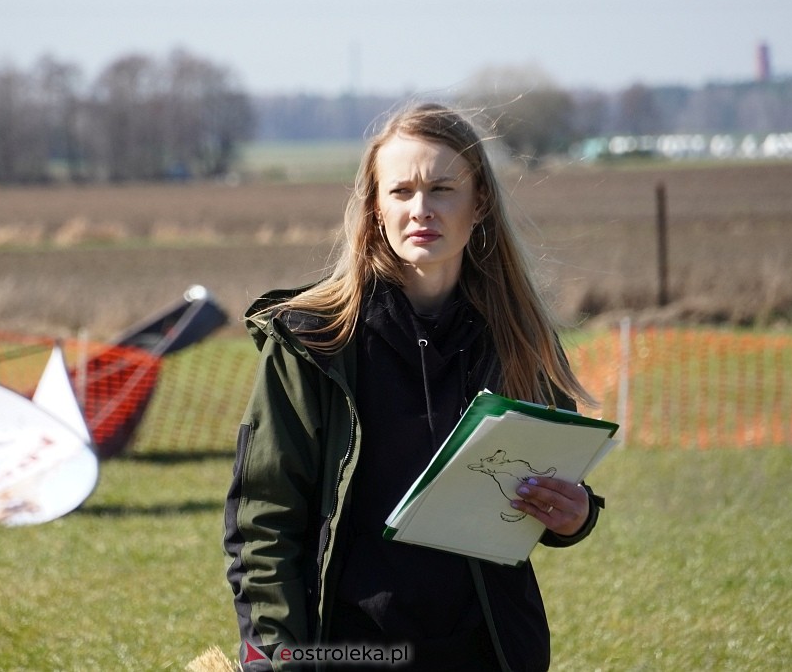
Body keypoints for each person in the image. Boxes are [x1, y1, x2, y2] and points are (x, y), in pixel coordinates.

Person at [223, 103, 605, 671]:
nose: (421, 209)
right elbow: (263, 522)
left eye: (443, 188)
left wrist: (577, 516)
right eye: (401, 191)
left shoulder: (522, 338)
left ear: (480, 204)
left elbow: (545, 489)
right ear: (376, 209)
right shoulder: (312, 342)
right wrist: (275, 660)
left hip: (488, 651)